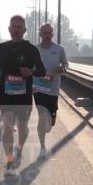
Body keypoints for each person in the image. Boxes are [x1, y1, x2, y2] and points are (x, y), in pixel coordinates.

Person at [0, 15, 45, 177]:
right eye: (13, 27)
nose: (16, 29)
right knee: (7, 126)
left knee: (22, 129)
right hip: (6, 94)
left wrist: (31, 71)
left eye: (19, 27)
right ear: (8, 29)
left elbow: (41, 70)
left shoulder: (31, 49)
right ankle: (9, 163)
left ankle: (19, 150)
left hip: (24, 95)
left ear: (24, 30)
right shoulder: (2, 48)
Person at [33, 23, 68, 159]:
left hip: (53, 89)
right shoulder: (35, 49)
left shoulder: (59, 49)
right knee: (42, 116)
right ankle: (42, 147)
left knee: (50, 122)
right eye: (44, 33)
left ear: (52, 34)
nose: (47, 36)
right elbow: (30, 65)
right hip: (39, 88)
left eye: (49, 33)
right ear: (40, 34)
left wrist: (62, 68)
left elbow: (65, 64)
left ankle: (49, 122)